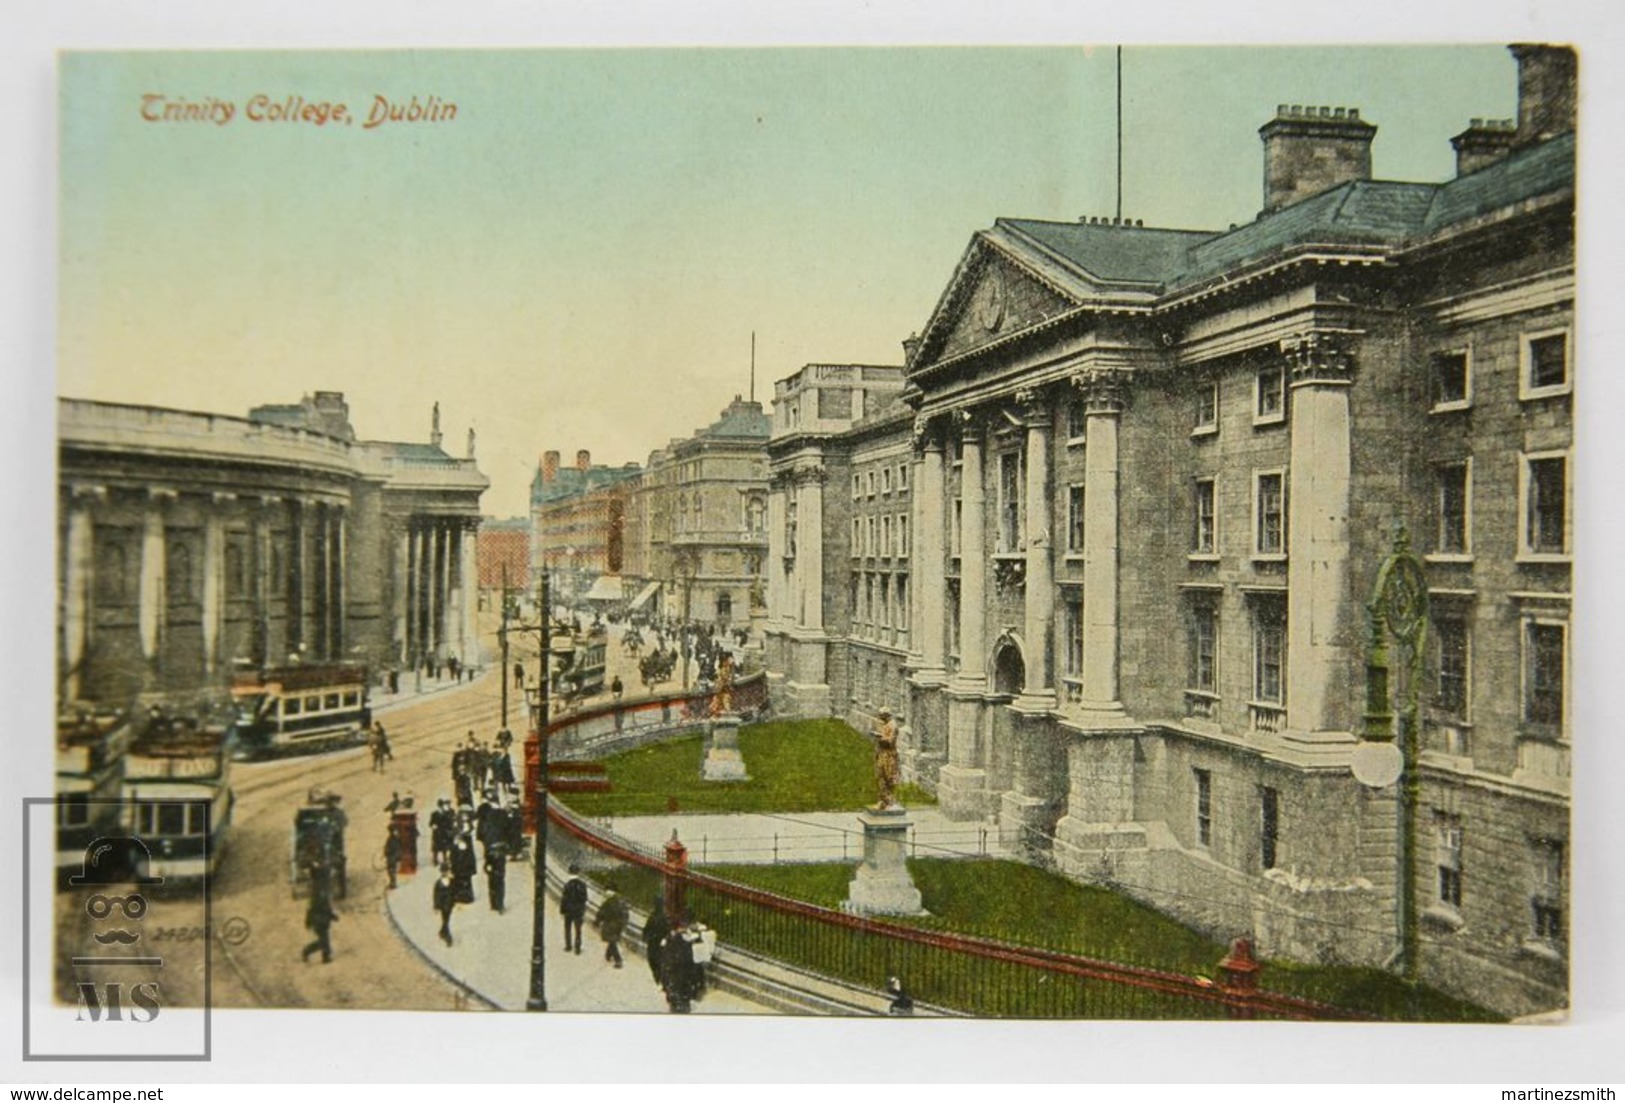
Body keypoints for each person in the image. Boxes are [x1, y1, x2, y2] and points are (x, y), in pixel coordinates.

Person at [596, 886, 630, 968]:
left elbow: (602, 912)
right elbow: (625, 914)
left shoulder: (609, 902)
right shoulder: (621, 901)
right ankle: (608, 954)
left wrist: (597, 921)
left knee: (612, 940)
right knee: (612, 940)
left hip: (610, 924)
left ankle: (618, 959)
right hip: (619, 925)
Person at [873, 710, 900, 810]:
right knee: (881, 776)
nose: (880, 718)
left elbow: (890, 741)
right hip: (882, 754)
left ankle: (889, 801)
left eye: (882, 716)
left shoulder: (893, 726)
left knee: (889, 777)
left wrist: (880, 737)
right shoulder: (886, 724)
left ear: (886, 715)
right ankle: (882, 801)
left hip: (889, 755)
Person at [301, 892, 338, 964]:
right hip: (318, 924)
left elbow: (328, 911)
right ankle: (307, 951)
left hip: (323, 923)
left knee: (325, 940)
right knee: (323, 941)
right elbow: (310, 912)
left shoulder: (323, 900)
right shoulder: (316, 901)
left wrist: (333, 917)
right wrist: (308, 922)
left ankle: (325, 957)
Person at [560, 864, 589, 954]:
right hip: (578, 910)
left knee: (567, 928)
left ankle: (568, 946)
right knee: (578, 929)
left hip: (568, 910)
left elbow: (564, 899)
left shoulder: (567, 885)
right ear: (578, 873)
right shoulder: (582, 885)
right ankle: (577, 948)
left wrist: (562, 910)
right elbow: (585, 898)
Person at [641, 902, 671, 988]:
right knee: (655, 961)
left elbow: (668, 930)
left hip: (658, 942)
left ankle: (660, 979)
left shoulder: (662, 917)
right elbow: (648, 927)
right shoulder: (655, 916)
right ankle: (659, 979)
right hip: (655, 941)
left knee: (655, 961)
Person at [433, 867, 458, 946]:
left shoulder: (452, 881)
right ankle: (447, 936)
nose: (445, 873)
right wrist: (436, 906)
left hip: (449, 904)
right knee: (445, 919)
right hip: (442, 904)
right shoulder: (438, 883)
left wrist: (455, 901)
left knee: (446, 919)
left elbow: (454, 892)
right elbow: (436, 895)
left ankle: (443, 932)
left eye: (446, 871)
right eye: (444, 872)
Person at [450, 835, 477, 905]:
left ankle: (465, 896)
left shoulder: (464, 845)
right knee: (462, 881)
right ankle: (463, 896)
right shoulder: (456, 846)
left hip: (463, 867)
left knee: (464, 881)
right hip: (460, 867)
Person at [430, 798, 454, 868]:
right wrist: (433, 826)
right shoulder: (434, 813)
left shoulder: (447, 813)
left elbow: (449, 823)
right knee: (436, 847)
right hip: (437, 833)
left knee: (444, 847)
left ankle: (445, 859)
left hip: (444, 832)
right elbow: (431, 823)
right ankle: (435, 860)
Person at [485, 846, 507, 914]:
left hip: (497, 874)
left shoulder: (500, 856)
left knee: (497, 889)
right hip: (495, 874)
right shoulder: (493, 855)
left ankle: (498, 905)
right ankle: (496, 905)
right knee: (495, 889)